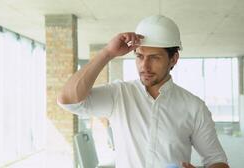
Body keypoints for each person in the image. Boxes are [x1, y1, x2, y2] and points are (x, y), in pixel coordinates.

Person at [58, 15, 229, 168]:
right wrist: (108, 53)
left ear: (173, 59)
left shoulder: (194, 107)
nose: (144, 66)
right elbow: (68, 100)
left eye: (154, 57)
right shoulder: (119, 95)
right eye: (139, 56)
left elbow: (217, 161)